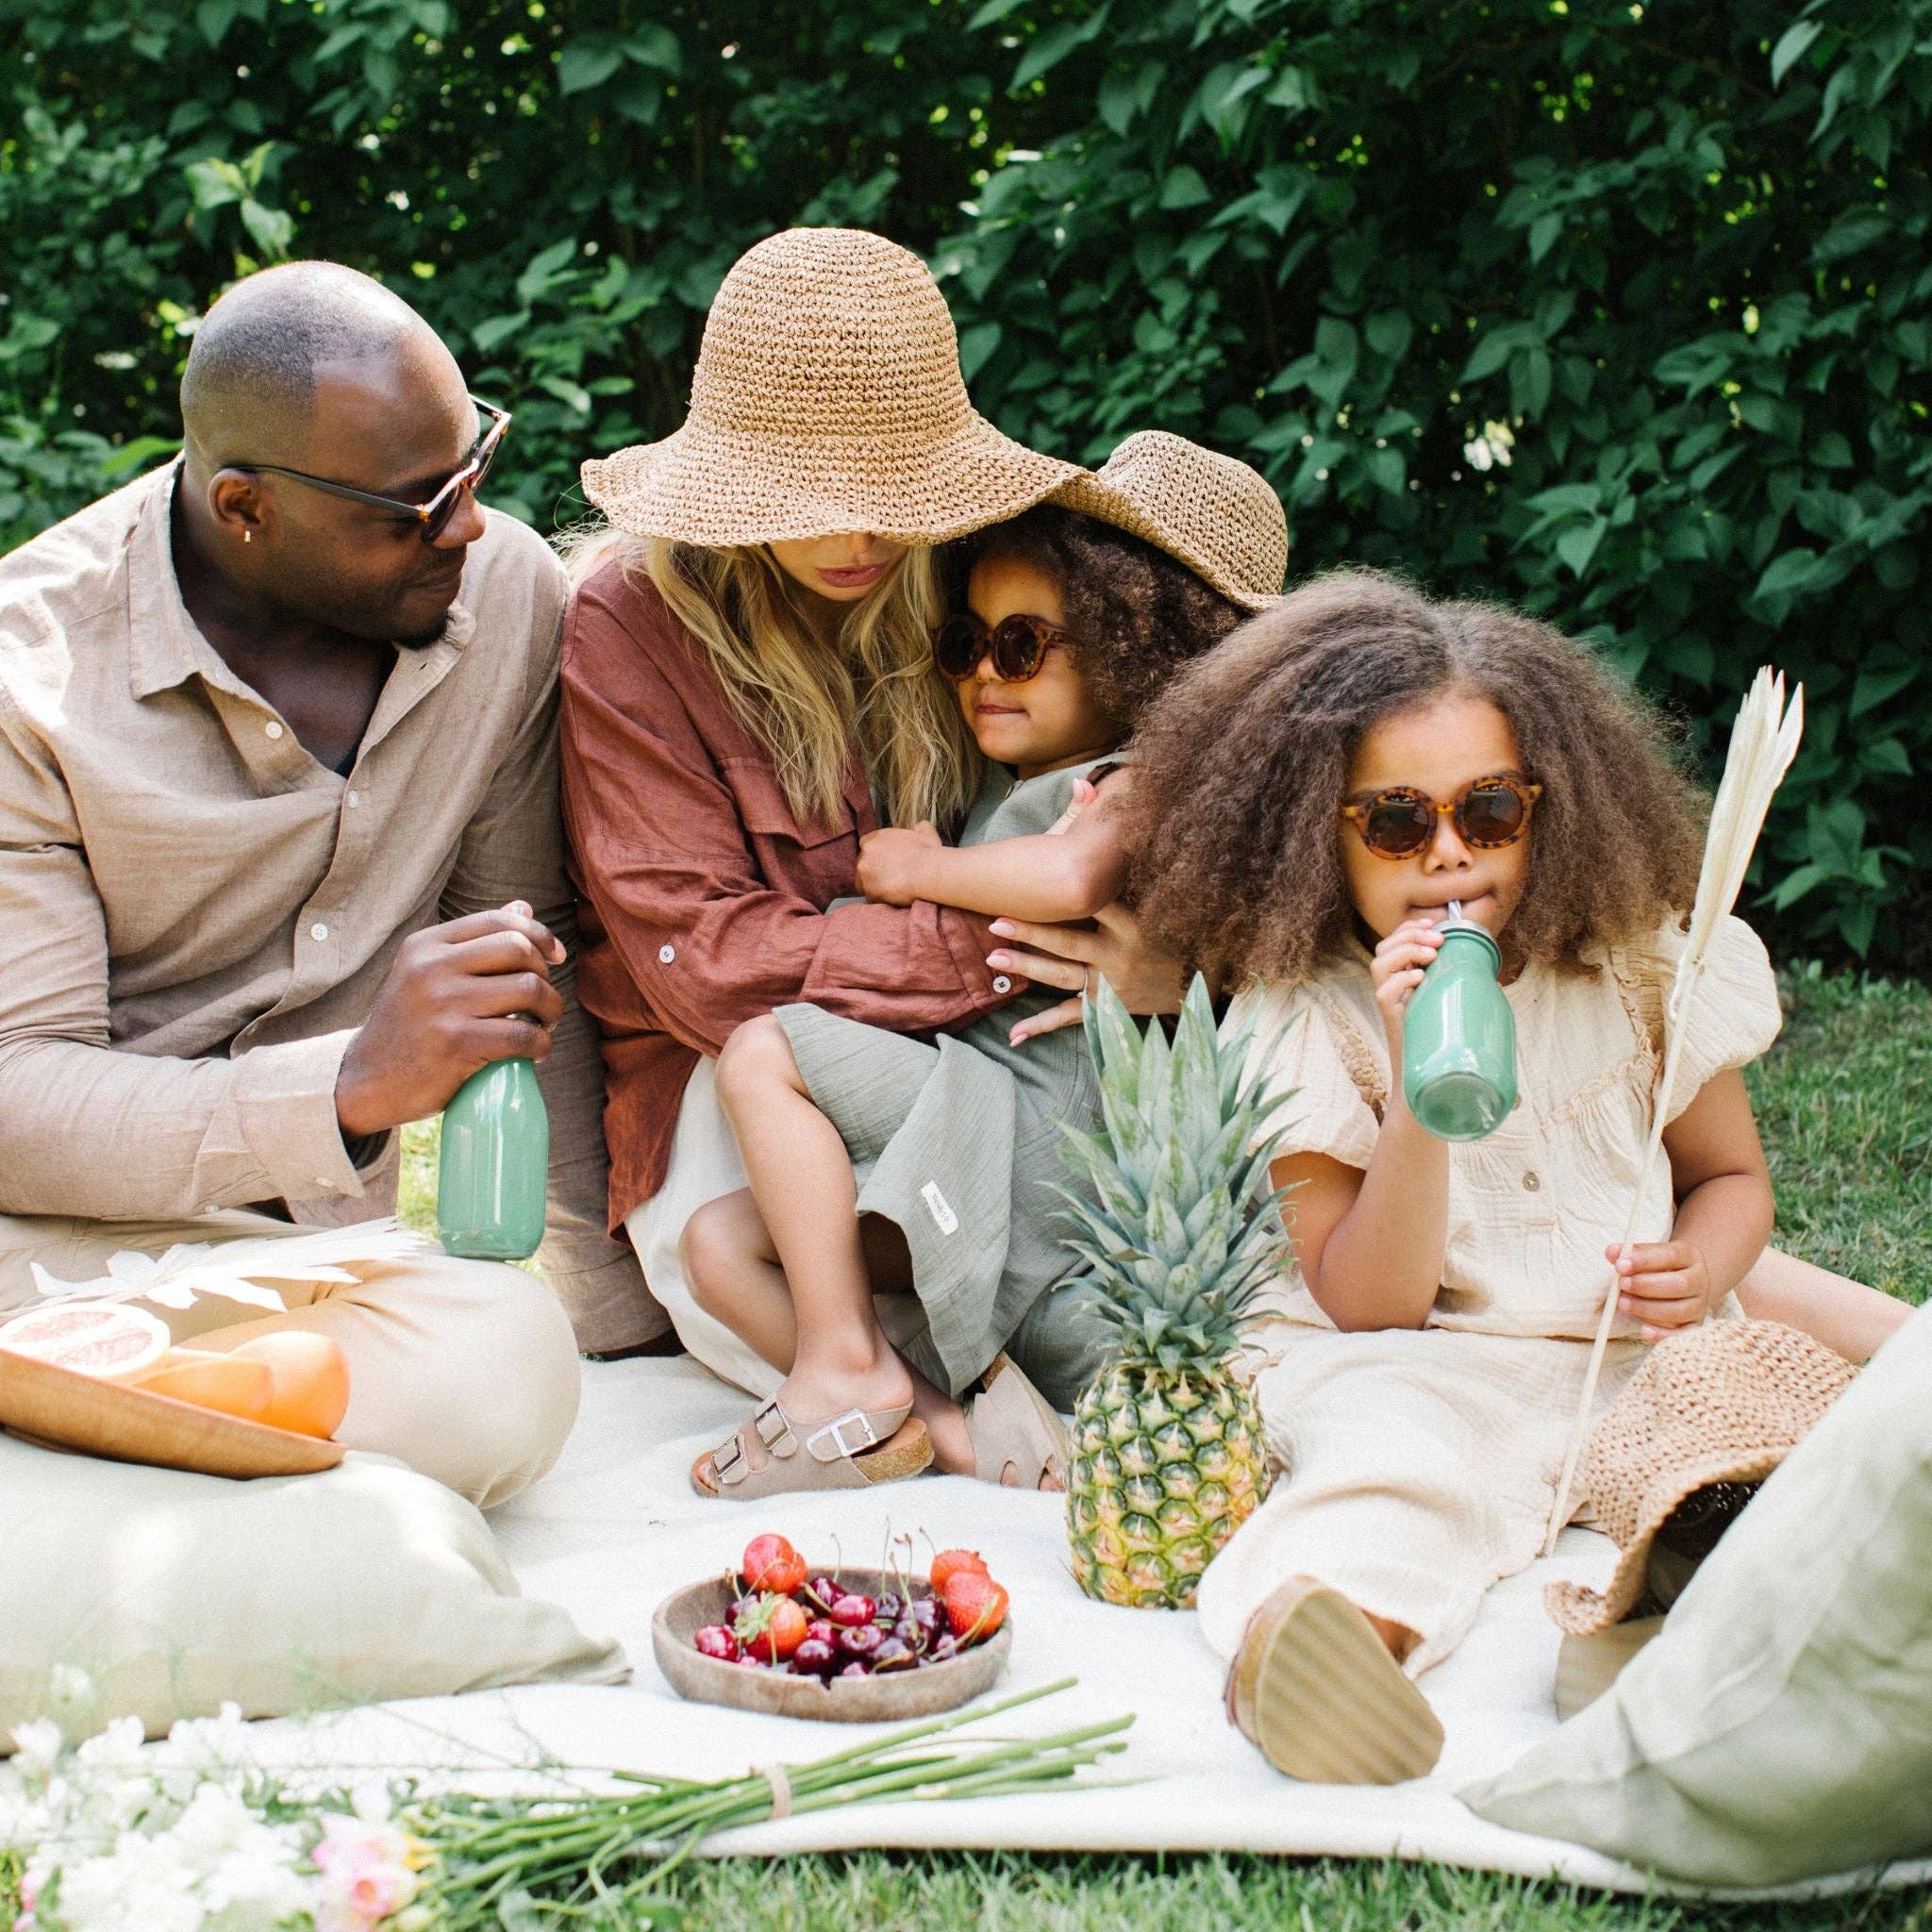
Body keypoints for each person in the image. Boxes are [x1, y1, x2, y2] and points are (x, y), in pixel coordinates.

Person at [1119, 570, 1911, 1783]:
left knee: (1748, 1432)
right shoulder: (1304, 1015)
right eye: (1395, 822)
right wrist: (1412, 1090)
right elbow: (1368, 1301)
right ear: (1312, 833)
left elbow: (1729, 1178)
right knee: (1391, 1476)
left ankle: (1651, 1624)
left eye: (1488, 811)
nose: (1448, 853)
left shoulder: (1634, 963)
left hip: (1622, 1350)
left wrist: (1701, 1262)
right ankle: (1332, 1648)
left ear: (1549, 808)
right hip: (1420, 1359)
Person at [0, 260, 655, 1509]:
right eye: (418, 506)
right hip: (69, 1238)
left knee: (506, 1363)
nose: (468, 526)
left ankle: (128, 1438)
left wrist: (602, 1307)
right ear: (245, 507)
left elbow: (532, 964)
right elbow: (16, 1097)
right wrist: (350, 1085)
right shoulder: (27, 677)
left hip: (333, 1270)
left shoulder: (504, 597)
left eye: (474, 467)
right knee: (476, 1387)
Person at [560, 227, 1190, 1413]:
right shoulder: (632, 624)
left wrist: (1159, 963)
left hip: (997, 1063)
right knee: (735, 1231)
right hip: (737, 1081)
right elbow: (709, 965)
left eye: (890, 498)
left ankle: (982, 1389)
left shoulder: (964, 569)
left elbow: (1128, 782)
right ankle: (922, 1419)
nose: (858, 542)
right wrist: (1015, 932)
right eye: (812, 503)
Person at [683, 475, 1266, 1499]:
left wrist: (919, 868)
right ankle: (943, 1430)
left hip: (1042, 1143)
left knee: (762, 1052)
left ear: (1137, 658)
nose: (986, 673)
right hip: (977, 1125)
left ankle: (842, 1367)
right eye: (966, 645)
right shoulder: (1002, 783)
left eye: (1023, 647)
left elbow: (1071, 878)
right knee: (718, 1244)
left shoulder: (1134, 775)